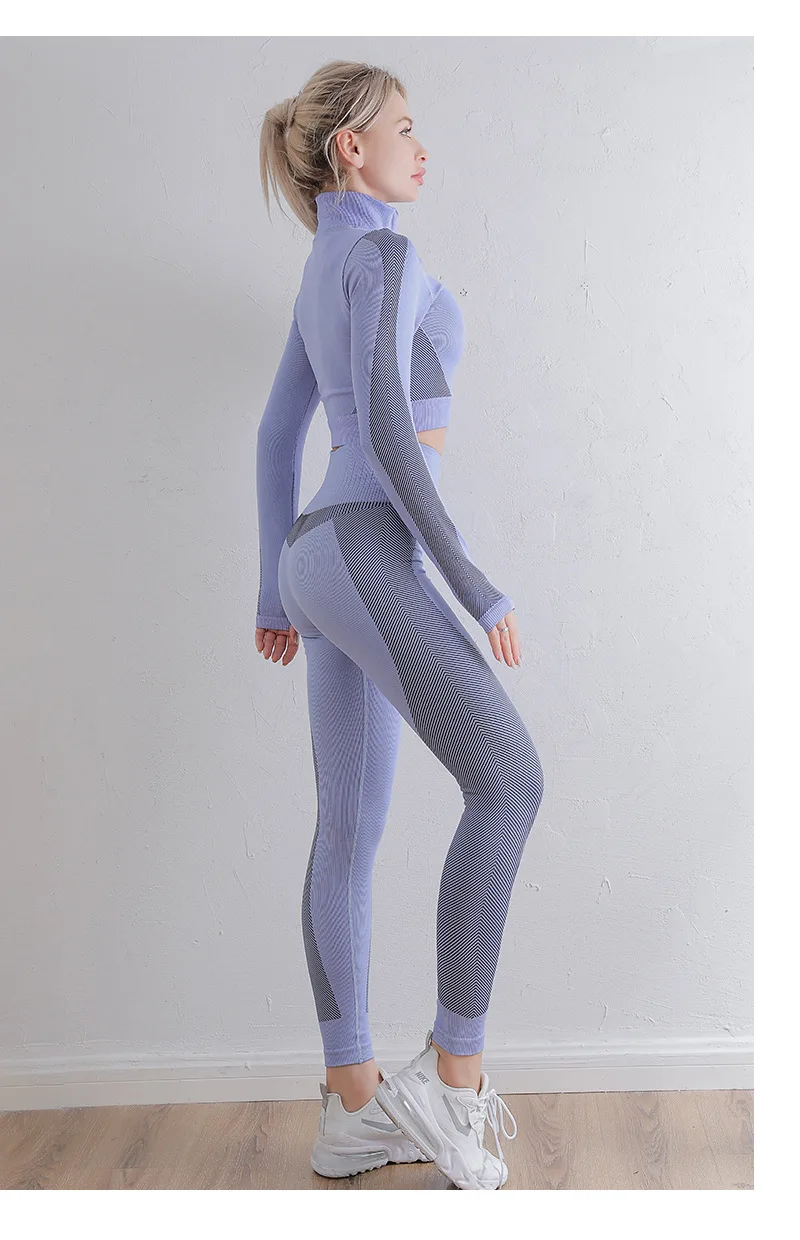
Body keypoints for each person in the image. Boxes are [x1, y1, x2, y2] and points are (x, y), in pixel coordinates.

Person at [255, 59, 544, 1190]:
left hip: (317, 556)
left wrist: (271, 589)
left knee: (348, 830)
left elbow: (276, 438)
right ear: (351, 150)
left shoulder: (319, 270)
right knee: (509, 782)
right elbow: (382, 427)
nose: (422, 149)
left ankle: (353, 1110)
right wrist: (472, 583)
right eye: (405, 128)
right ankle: (451, 1080)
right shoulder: (381, 253)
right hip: (370, 544)